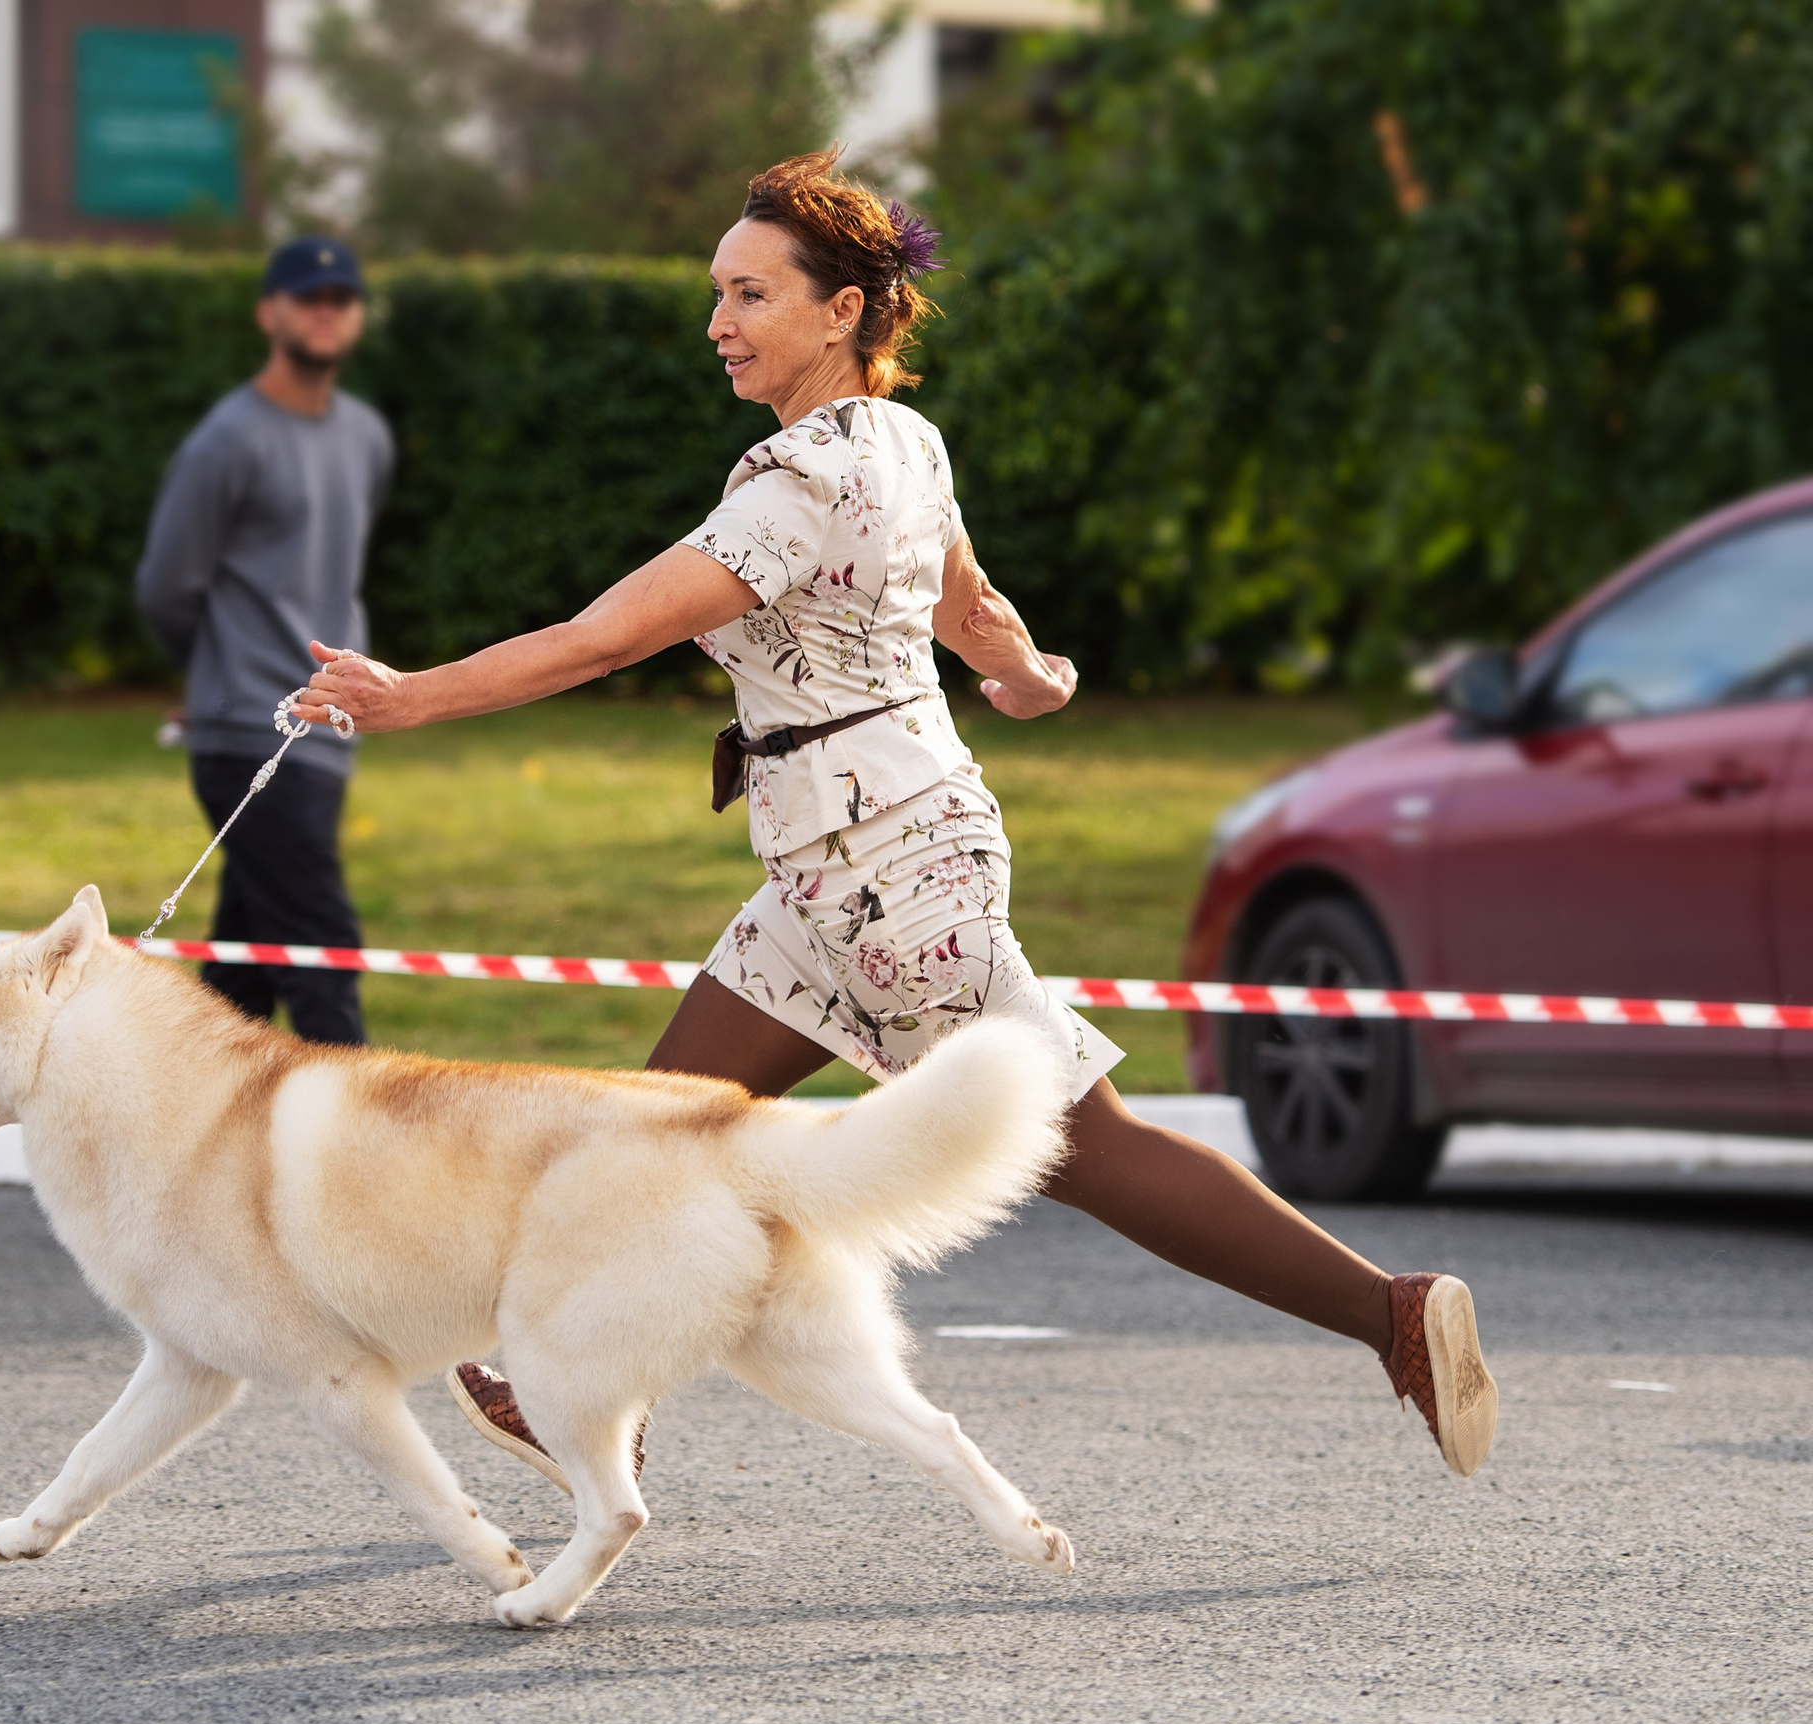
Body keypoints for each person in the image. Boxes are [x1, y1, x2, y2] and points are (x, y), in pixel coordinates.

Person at [293, 151, 1497, 1486]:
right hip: (840, 872)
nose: (719, 321)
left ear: (844, 310)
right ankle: (574, 1388)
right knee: (660, 1128)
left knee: (1082, 1148)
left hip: (888, 878)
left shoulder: (797, 484)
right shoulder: (903, 443)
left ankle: (1391, 1315)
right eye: (717, 293)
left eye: (750, 293)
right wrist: (1028, 676)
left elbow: (602, 639)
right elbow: (966, 602)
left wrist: (407, 697)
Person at [136, 235, 396, 1046]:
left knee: (243, 971)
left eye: (341, 299)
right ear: (268, 312)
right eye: (308, 298)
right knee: (321, 945)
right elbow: (167, 586)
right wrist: (216, 680)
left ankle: (184, 1113)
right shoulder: (227, 440)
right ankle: (356, 1124)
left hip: (326, 730)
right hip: (250, 727)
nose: (326, 313)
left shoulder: (365, 436)